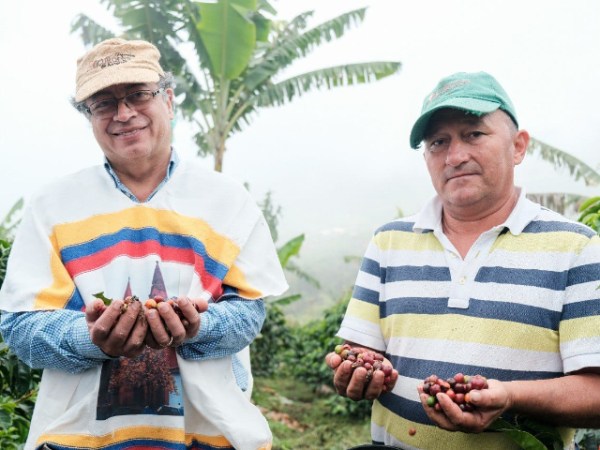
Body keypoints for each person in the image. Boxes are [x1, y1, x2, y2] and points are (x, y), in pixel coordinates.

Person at [0, 38, 287, 450]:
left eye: (138, 95)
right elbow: (20, 327)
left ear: (168, 100)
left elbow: (248, 315)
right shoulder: (51, 207)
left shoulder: (227, 201)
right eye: (103, 103)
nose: (123, 114)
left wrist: (198, 327)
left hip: (209, 435)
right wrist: (90, 338)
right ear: (89, 116)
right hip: (79, 440)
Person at [326, 71, 600, 449]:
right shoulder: (389, 241)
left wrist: (511, 397)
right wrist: (361, 368)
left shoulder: (577, 248)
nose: (455, 156)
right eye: (438, 142)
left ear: (518, 146)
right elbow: (364, 349)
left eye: (474, 134)